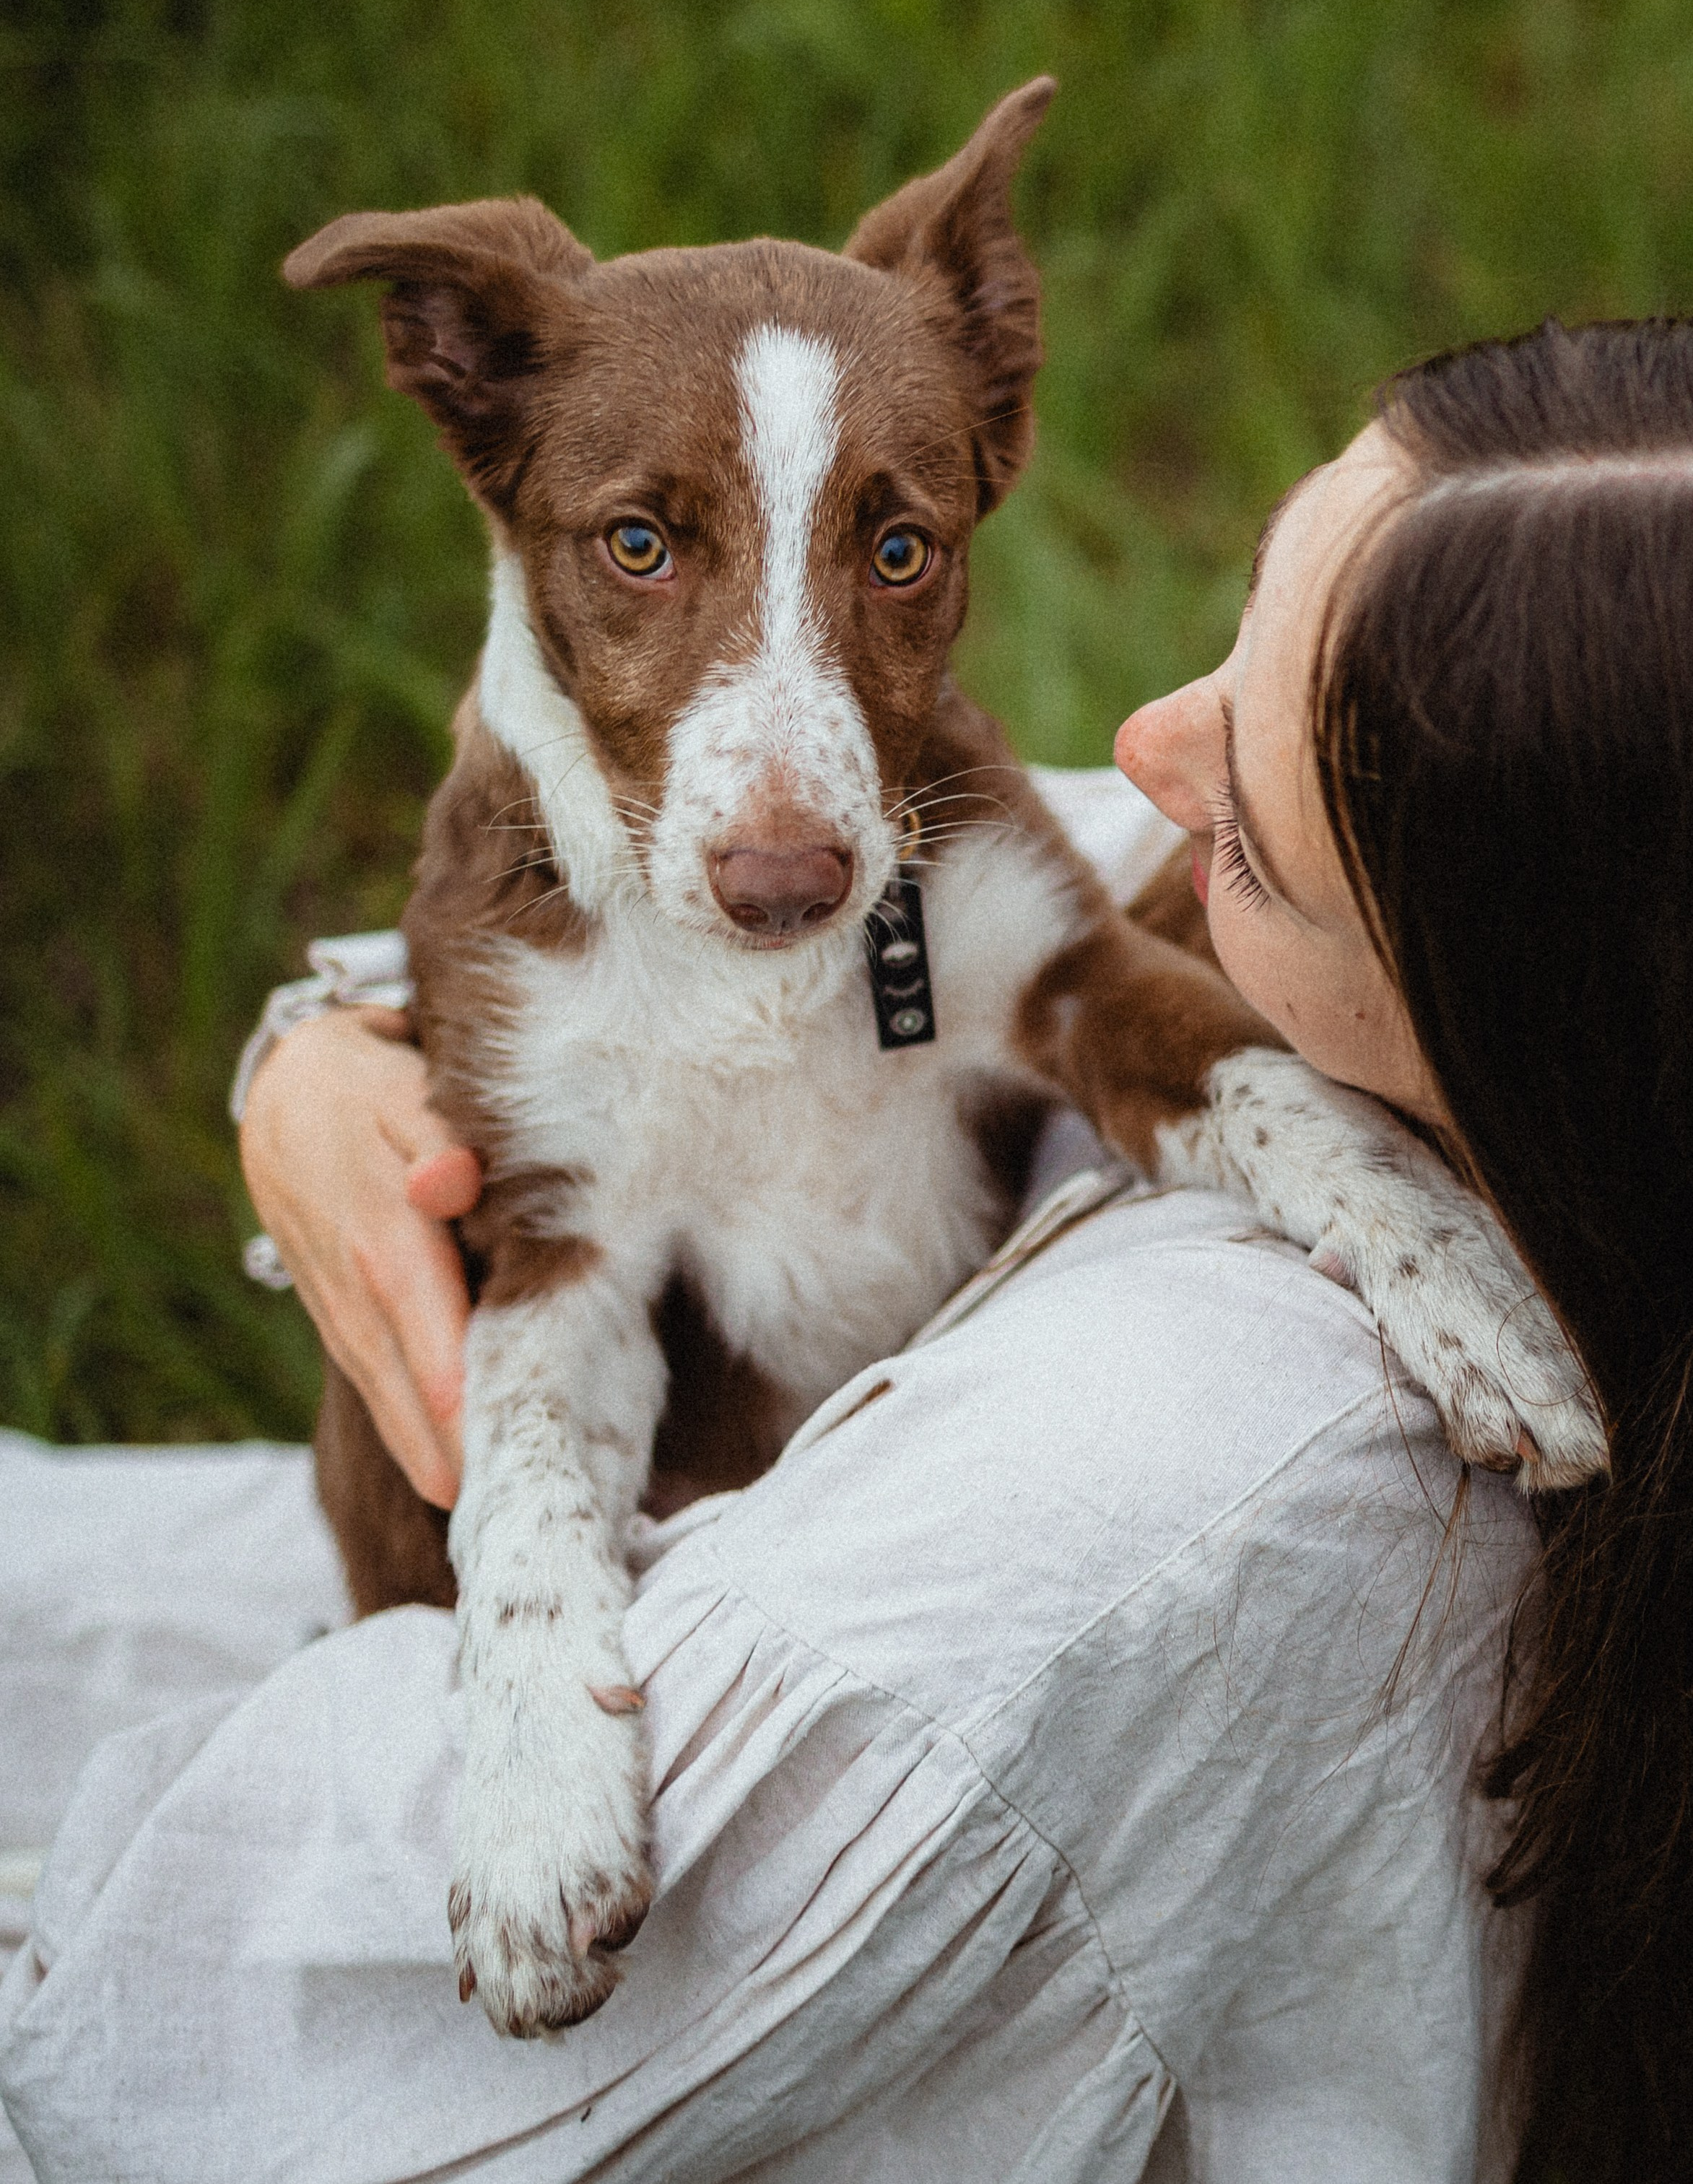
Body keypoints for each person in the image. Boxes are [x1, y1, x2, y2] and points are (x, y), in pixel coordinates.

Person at [2, 315, 1687, 2181]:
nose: (1141, 743)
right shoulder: (1539, 1028)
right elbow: (1084, 861)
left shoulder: (1110, 1532)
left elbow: (274, 2047)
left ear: (1494, 988)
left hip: (563, 1783)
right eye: (1235, 631)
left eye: (1261, 829)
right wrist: (328, 1054)